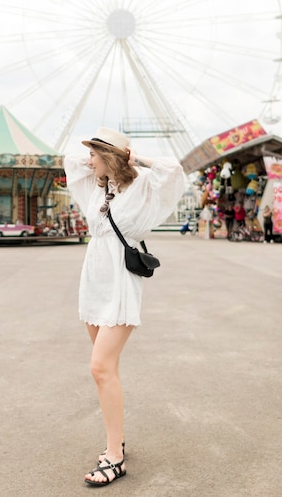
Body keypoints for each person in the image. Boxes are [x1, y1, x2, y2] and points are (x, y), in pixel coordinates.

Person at [64, 127, 184, 487]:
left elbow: (174, 172)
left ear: (112, 158)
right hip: (94, 279)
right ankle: (116, 440)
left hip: (120, 281)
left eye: (95, 155)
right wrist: (101, 156)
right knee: (108, 371)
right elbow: (70, 159)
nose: (88, 160)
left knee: (100, 368)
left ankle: (114, 457)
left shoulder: (144, 186)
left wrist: (134, 159)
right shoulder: (95, 186)